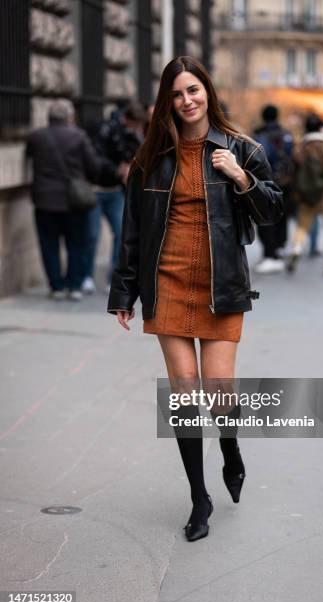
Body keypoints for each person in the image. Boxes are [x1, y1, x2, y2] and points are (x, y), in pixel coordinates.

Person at [107, 56, 283, 542]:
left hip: (220, 285)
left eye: (194, 90)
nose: (187, 101)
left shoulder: (242, 149)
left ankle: (230, 448)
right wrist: (123, 291)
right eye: (177, 94)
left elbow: (273, 213)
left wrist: (241, 179)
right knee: (184, 392)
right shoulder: (150, 157)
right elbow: (132, 231)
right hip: (167, 283)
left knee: (219, 387)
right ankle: (199, 497)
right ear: (167, 101)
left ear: (208, 91)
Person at [26, 99, 100, 300]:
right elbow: (93, 166)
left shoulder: (36, 137)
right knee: (76, 244)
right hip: (73, 201)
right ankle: (74, 285)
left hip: (44, 200)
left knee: (48, 245)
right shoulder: (79, 136)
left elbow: (29, 161)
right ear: (69, 117)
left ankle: (56, 286)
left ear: (49, 117)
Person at [82, 102, 146, 294]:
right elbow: (95, 158)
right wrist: (118, 170)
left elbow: (136, 156)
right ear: (127, 119)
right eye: (134, 125)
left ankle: (114, 277)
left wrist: (131, 168)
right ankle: (87, 276)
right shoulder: (105, 130)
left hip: (115, 192)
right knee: (92, 236)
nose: (136, 129)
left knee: (121, 233)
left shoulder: (132, 135)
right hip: (96, 190)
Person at [287, 113, 323, 277]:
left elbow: (295, 166)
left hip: (307, 193)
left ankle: (297, 247)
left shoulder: (301, 146)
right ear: (320, 127)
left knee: (303, 224)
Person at [253, 105, 294, 273]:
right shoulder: (287, 135)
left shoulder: (260, 135)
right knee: (282, 215)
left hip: (266, 182)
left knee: (265, 218)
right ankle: (280, 248)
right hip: (286, 182)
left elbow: (260, 159)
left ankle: (270, 256)